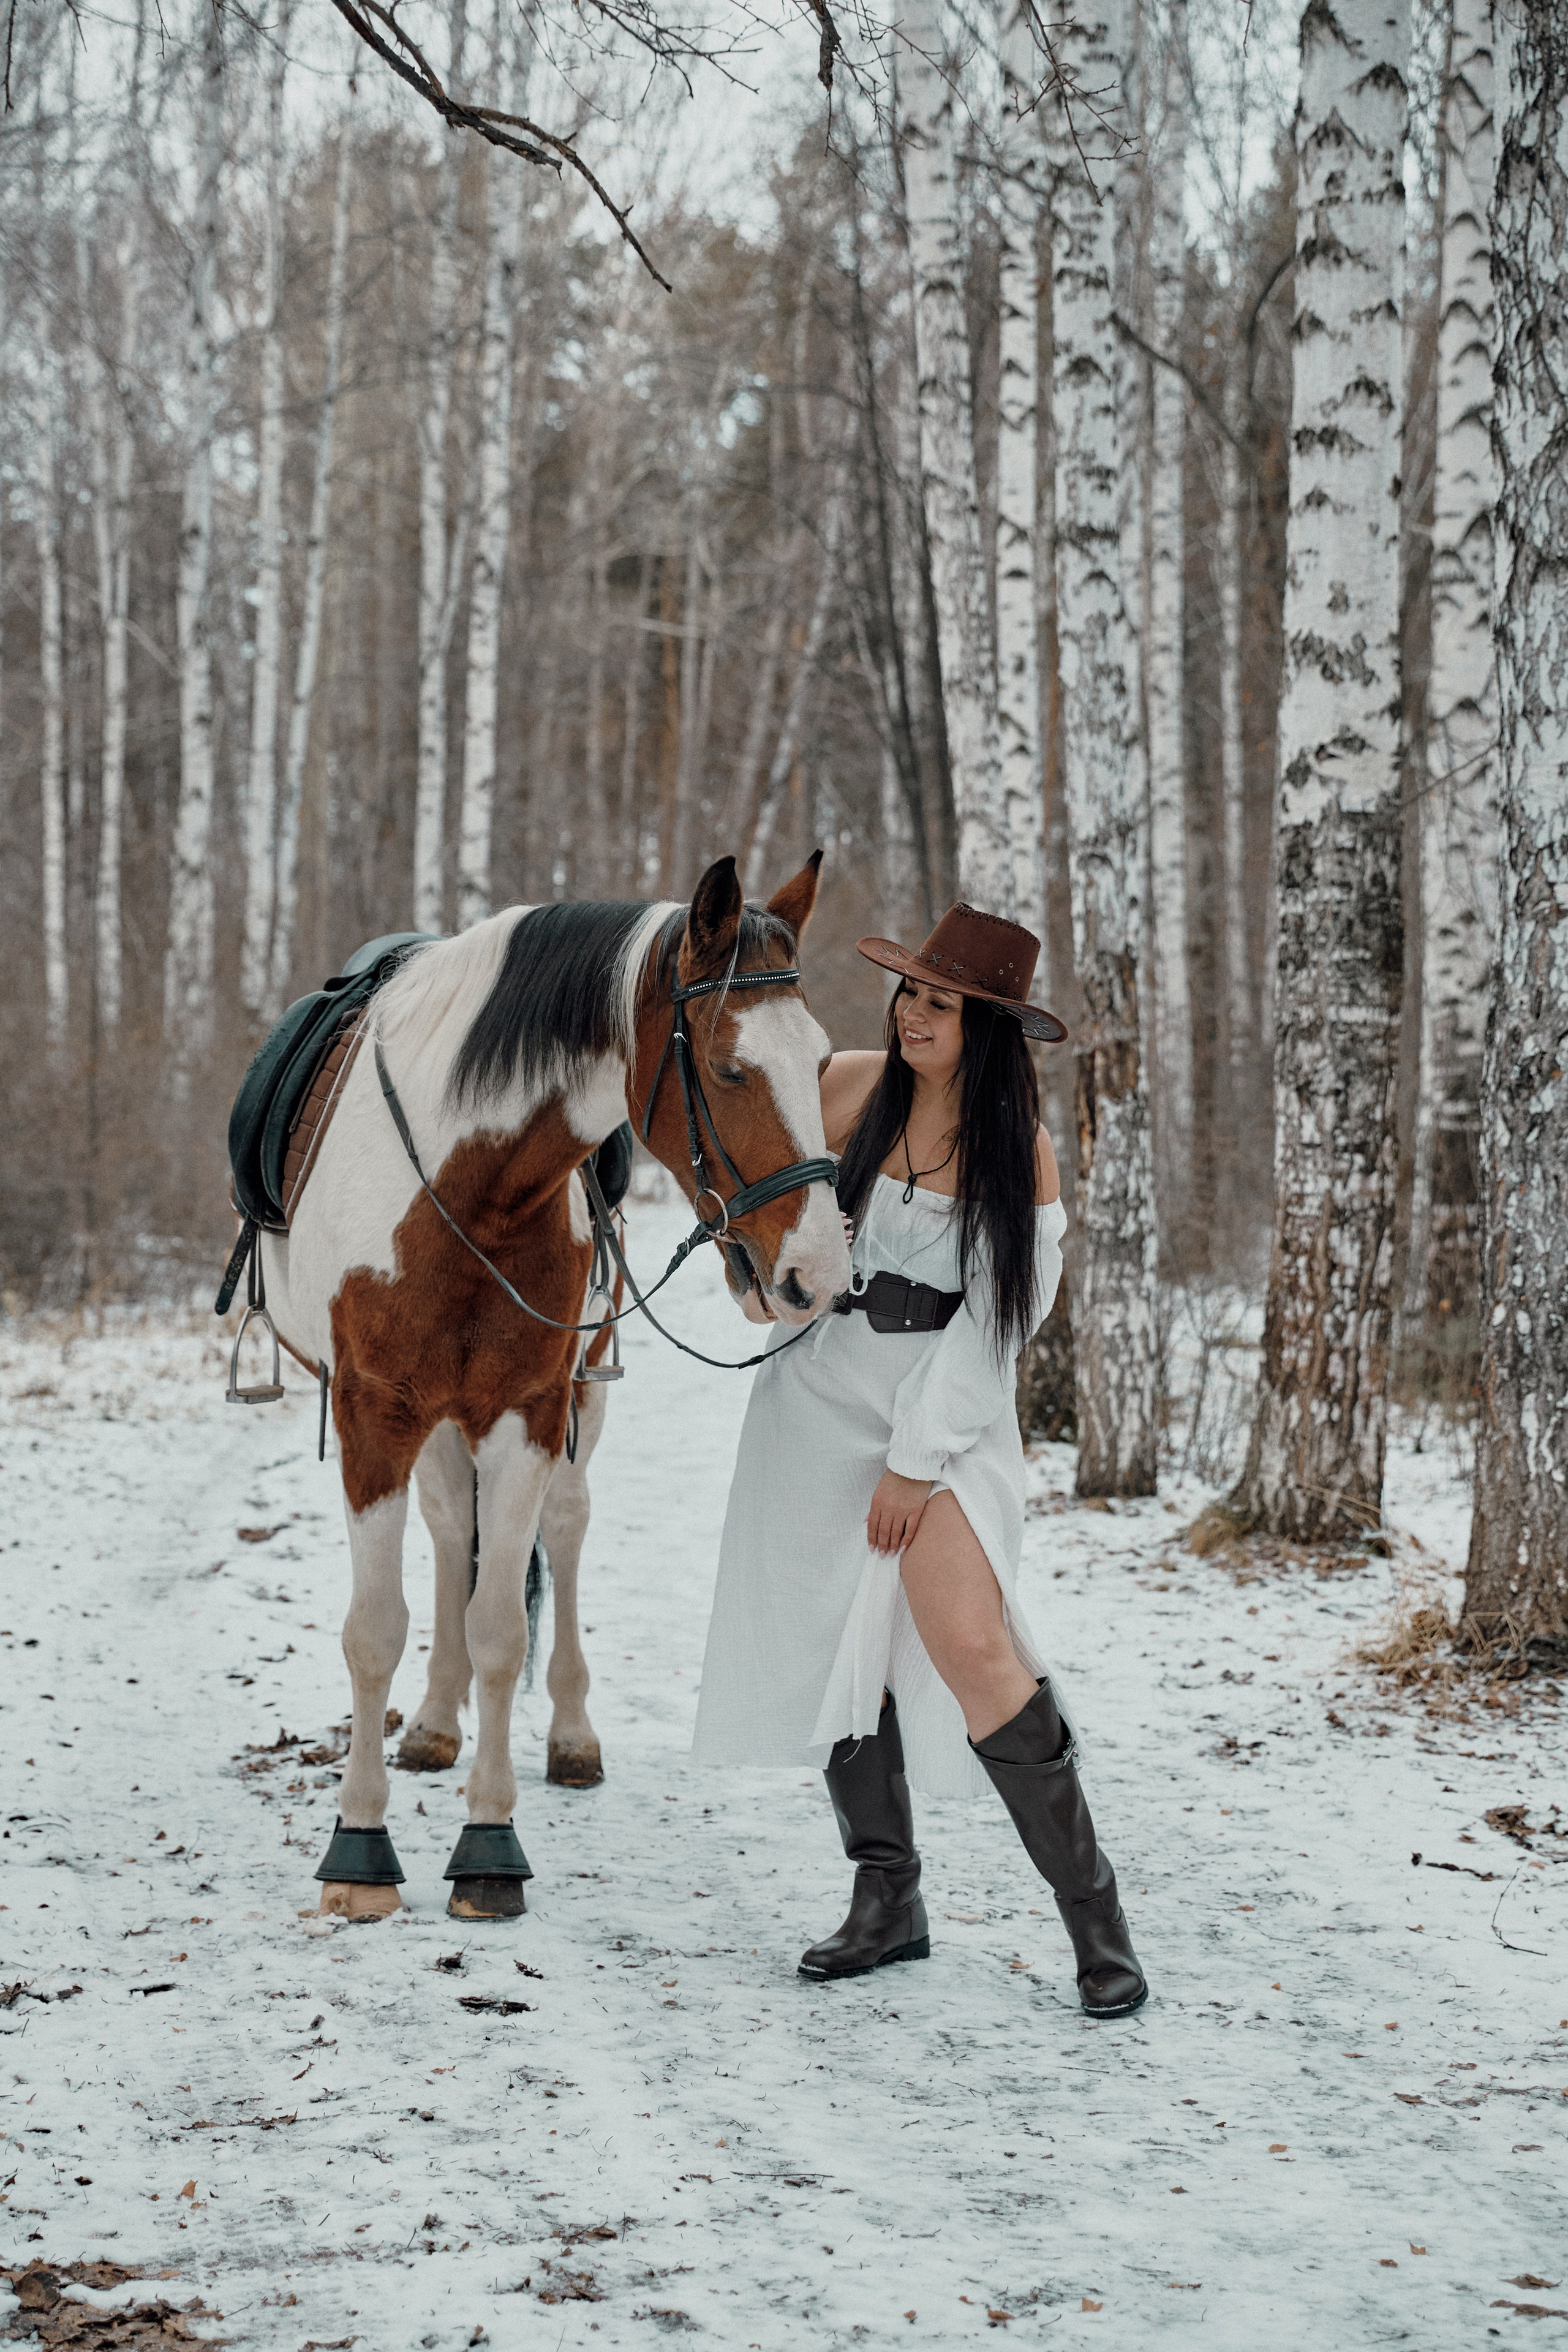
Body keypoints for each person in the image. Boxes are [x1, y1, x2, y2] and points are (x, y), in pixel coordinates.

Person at [691, 904, 1146, 2016]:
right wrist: (751, 1279)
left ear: (986, 1026)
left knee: (975, 1647)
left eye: (940, 1002)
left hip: (938, 1412)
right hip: (814, 1393)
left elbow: (1003, 1317)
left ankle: (1097, 1921)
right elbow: (772, 1224)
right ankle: (887, 1899)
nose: (914, 1014)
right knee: (830, 1640)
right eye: (910, 993)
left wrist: (916, 1461)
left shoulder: (1014, 1148)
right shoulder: (845, 1086)